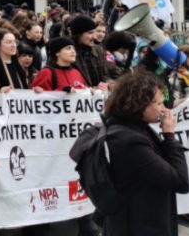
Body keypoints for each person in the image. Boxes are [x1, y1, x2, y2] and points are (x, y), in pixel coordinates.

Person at [103, 71, 189, 236]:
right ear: (139, 104)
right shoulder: (129, 141)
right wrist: (170, 137)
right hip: (140, 225)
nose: (163, 109)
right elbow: (180, 181)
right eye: (158, 104)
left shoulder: (134, 127)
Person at [68, 15, 111, 90]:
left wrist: (108, 84)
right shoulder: (67, 53)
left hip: (98, 98)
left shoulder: (98, 50)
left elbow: (105, 74)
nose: (94, 37)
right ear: (78, 34)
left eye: (94, 32)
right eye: (90, 33)